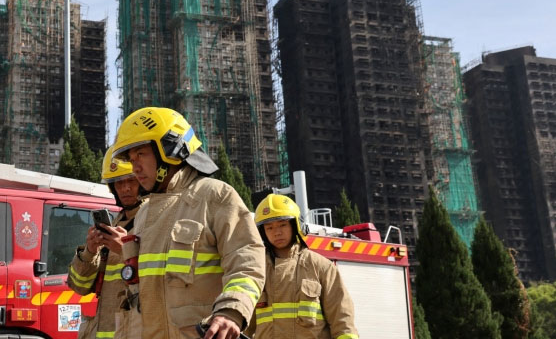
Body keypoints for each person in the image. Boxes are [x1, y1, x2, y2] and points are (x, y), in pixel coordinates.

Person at [107, 107, 265, 339]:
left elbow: (247, 261)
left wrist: (231, 311)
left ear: (171, 149)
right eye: (131, 159)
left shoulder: (215, 195)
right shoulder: (144, 213)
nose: (135, 167)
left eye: (141, 154)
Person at [247, 194, 358, 339]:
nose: (277, 232)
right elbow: (243, 324)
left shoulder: (321, 267)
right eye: (269, 228)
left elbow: (342, 319)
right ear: (262, 232)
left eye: (282, 224)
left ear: (296, 225)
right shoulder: (256, 269)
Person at [68, 148, 144, 339]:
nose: (125, 188)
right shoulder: (115, 224)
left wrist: (125, 250)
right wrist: (89, 252)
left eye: (131, 181)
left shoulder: (153, 220)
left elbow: (161, 281)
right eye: (119, 183)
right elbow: (79, 287)